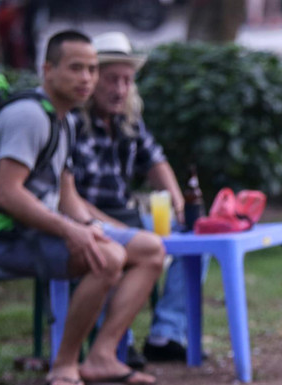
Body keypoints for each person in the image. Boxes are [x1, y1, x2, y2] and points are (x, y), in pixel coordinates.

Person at [0, 30, 165, 385]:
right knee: (107, 257)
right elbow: (8, 194)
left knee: (149, 248)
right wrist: (73, 233)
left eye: (92, 69)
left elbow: (68, 197)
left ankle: (102, 357)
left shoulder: (63, 119)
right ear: (47, 69)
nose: (86, 79)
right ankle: (64, 364)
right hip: (9, 237)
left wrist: (98, 227)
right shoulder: (29, 117)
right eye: (76, 68)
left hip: (45, 230)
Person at [69, 31, 192, 365]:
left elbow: (156, 160)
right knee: (117, 248)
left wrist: (177, 201)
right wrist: (114, 226)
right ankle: (119, 341)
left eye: (126, 80)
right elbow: (70, 199)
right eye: (112, 79)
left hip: (127, 214)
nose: (119, 89)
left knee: (195, 239)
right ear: (93, 79)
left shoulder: (129, 118)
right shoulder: (71, 123)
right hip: (87, 217)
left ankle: (166, 333)